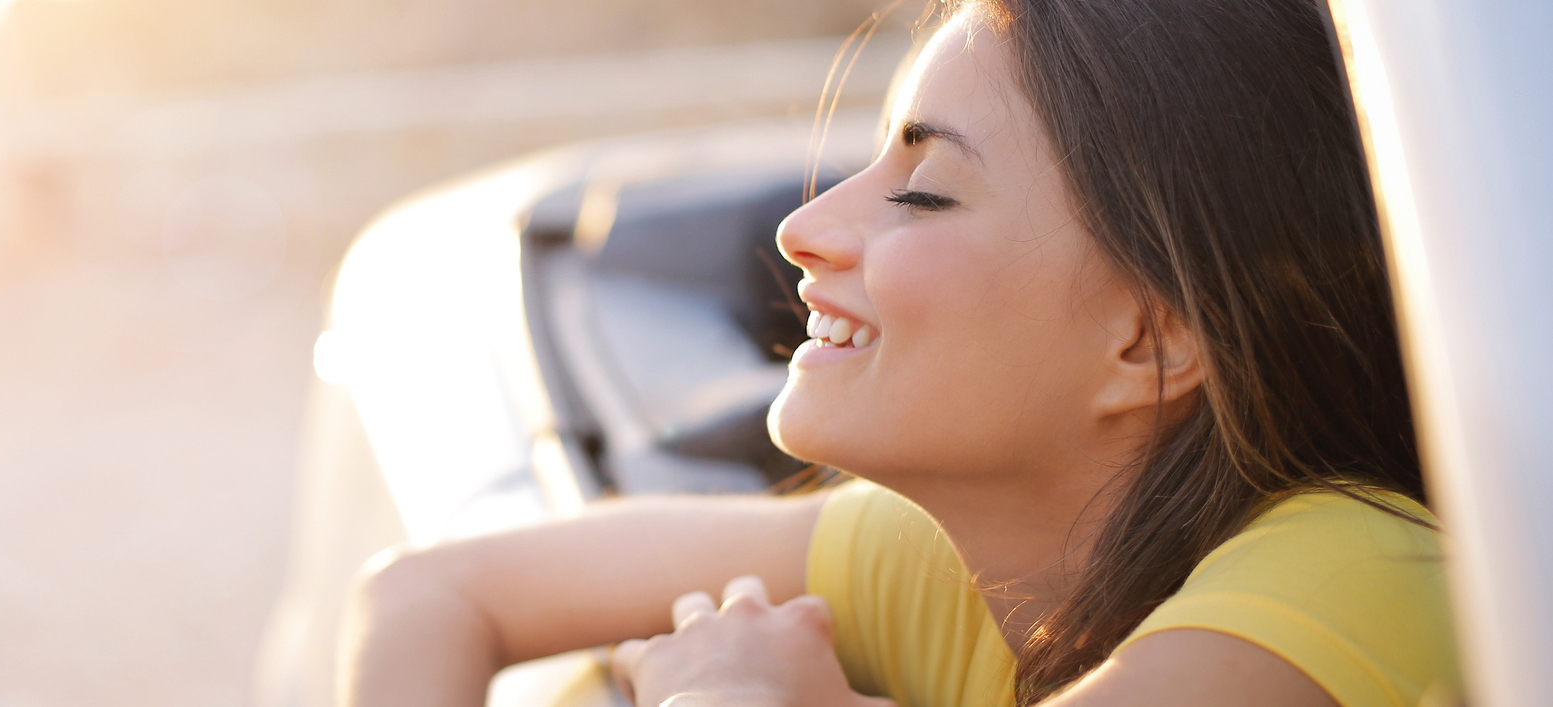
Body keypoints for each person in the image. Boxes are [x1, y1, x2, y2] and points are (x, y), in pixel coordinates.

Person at [338, 0, 1460, 704]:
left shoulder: (1355, 580)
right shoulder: (980, 561)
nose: (803, 228)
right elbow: (431, 591)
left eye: (922, 192)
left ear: (1151, 335)